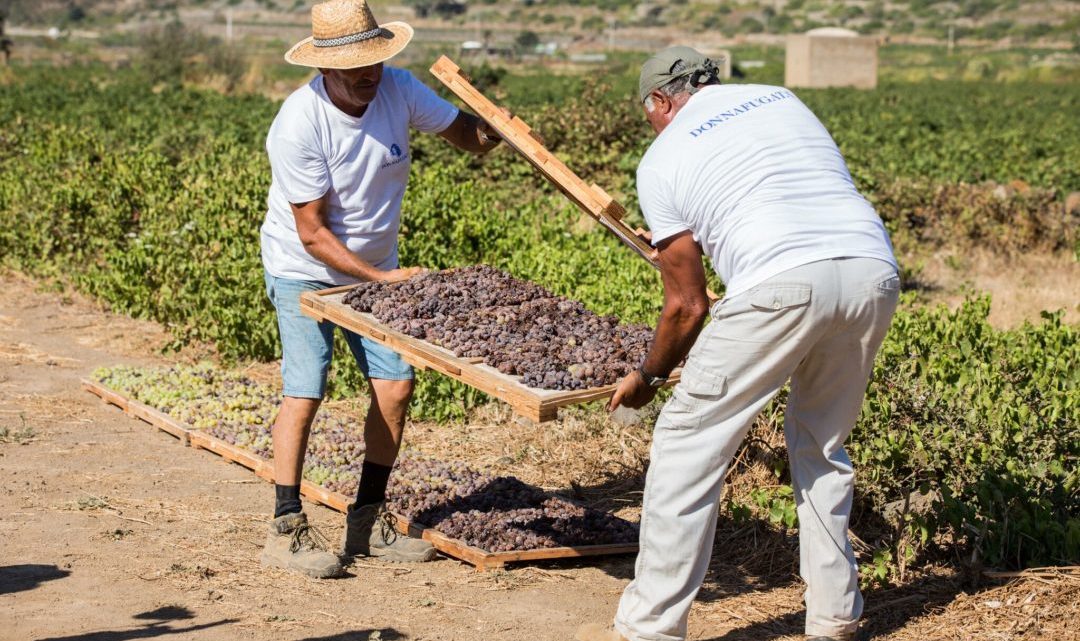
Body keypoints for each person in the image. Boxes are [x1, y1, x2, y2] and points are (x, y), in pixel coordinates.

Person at [578, 47, 899, 641]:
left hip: (784, 282)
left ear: (660, 101)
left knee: (687, 443)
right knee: (821, 445)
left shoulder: (662, 157)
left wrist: (649, 377)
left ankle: (648, 627)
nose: (650, 123)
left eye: (648, 113)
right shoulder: (783, 99)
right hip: (870, 273)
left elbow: (688, 304)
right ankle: (835, 616)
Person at [259, 0, 502, 578]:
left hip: (374, 267)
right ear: (325, 69)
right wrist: (383, 281)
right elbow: (313, 234)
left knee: (395, 388)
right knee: (306, 387)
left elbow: (467, 137)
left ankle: (367, 522)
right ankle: (285, 524)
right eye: (355, 70)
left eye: (375, 63)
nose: (369, 76)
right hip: (305, 267)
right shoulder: (300, 122)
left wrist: (496, 127)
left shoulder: (398, 88)